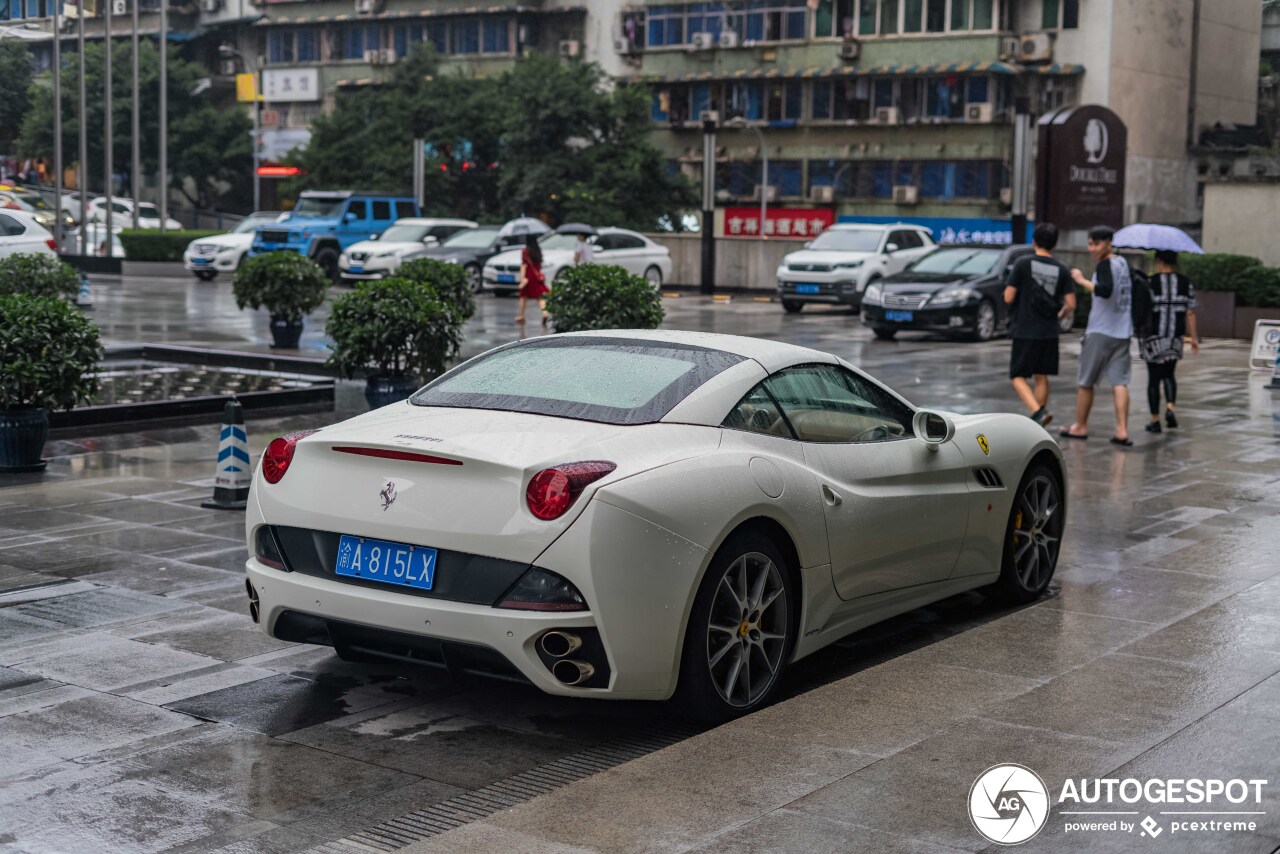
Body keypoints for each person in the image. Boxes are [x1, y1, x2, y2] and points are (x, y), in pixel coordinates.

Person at [1062, 225, 1135, 446]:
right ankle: (1122, 430)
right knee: (1120, 382)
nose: (1091, 248)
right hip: (1122, 332)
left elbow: (1105, 290)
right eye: (1090, 243)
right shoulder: (1123, 263)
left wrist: (1081, 279)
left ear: (1108, 243)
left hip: (1101, 331)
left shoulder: (1104, 265)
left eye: (1096, 243)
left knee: (1086, 381)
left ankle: (1080, 426)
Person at [1003, 222, 1076, 427]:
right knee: (1041, 375)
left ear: (1034, 241)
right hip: (1049, 331)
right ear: (1054, 244)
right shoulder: (1062, 268)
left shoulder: (1022, 263)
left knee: (1017, 375)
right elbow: (1071, 303)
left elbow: (1009, 297)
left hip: (1025, 328)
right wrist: (1060, 314)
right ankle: (1039, 421)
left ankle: (1037, 412)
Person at [1140, 250, 1199, 433]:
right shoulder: (1184, 282)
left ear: (1158, 261)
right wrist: (1194, 338)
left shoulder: (1150, 282)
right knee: (1169, 374)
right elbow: (1190, 312)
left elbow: (1142, 308)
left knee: (1153, 379)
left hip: (1154, 337)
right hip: (1175, 337)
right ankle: (1171, 408)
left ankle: (1155, 420)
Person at [517, 233, 549, 325]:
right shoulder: (538, 250)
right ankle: (545, 313)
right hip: (537, 276)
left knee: (523, 296)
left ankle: (521, 315)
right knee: (540, 297)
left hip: (529, 276)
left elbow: (524, 265)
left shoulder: (525, 251)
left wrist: (523, 278)